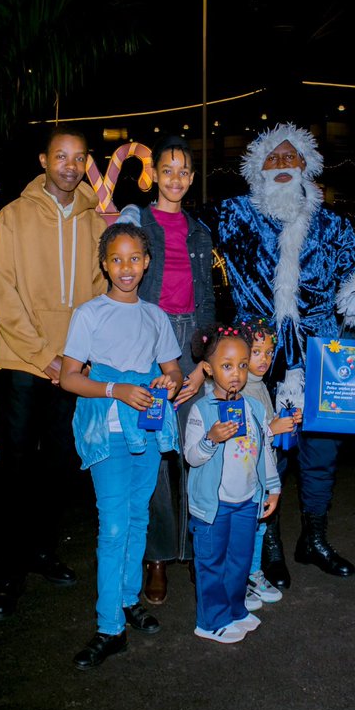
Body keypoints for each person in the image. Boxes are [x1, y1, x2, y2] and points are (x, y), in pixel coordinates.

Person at [211, 123, 355, 580]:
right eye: (274, 159)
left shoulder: (331, 223)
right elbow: (183, 230)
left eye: (292, 159)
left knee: (320, 452)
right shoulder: (236, 215)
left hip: (320, 352)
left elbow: (353, 269)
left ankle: (313, 538)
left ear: (307, 166)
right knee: (264, 447)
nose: (284, 166)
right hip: (260, 353)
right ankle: (269, 544)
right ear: (257, 168)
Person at [0, 126, 108, 620]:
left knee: (59, 464)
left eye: (78, 158)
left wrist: (76, 359)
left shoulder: (95, 221)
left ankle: (42, 549)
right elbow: (1, 295)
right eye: (61, 156)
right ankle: (10, 569)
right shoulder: (12, 218)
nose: (70, 165)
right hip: (22, 363)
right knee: (16, 465)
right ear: (44, 160)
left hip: (73, 368)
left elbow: (101, 295)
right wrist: (44, 357)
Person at [59, 222, 184, 669]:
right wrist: (116, 389)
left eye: (134, 258)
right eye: (116, 259)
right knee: (112, 526)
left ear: (146, 263)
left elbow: (173, 372)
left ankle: (129, 601)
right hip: (109, 431)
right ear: (104, 264)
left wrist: (166, 381)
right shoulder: (89, 313)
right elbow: (70, 376)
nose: (126, 268)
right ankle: (109, 627)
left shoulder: (155, 316)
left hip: (147, 431)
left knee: (136, 519)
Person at [115, 134, 216, 606]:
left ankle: (198, 551)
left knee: (197, 452)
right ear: (153, 173)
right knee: (154, 459)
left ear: (192, 179)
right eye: (167, 170)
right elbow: (121, 272)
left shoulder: (200, 230)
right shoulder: (137, 221)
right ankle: (157, 558)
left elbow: (209, 300)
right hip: (150, 345)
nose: (175, 178)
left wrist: (203, 366)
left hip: (193, 342)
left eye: (184, 171)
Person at [183, 323, 281, 643]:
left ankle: (235, 609)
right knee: (212, 563)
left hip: (247, 500)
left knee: (240, 560)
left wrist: (273, 487)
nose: (236, 373)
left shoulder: (252, 407)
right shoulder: (201, 410)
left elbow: (263, 449)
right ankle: (210, 621)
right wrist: (211, 440)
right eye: (227, 366)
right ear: (209, 370)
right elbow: (192, 457)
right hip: (214, 506)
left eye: (242, 364)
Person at [238, 318, 300, 601]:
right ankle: (240, 581)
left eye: (269, 352)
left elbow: (264, 422)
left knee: (259, 526)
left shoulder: (260, 384)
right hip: (246, 474)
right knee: (245, 527)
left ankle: (253, 574)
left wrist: (284, 422)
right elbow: (244, 435)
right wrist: (271, 429)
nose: (264, 359)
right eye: (256, 352)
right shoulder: (240, 389)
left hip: (264, 471)